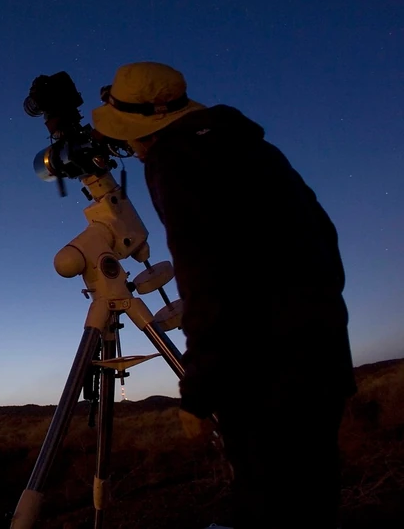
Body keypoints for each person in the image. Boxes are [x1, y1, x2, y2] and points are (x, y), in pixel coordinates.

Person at [90, 62, 356, 528]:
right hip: (323, 357)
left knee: (270, 504)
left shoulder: (175, 160)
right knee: (312, 500)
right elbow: (324, 239)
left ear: (145, 131)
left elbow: (206, 279)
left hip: (263, 377)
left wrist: (199, 392)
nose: (131, 150)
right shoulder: (254, 149)